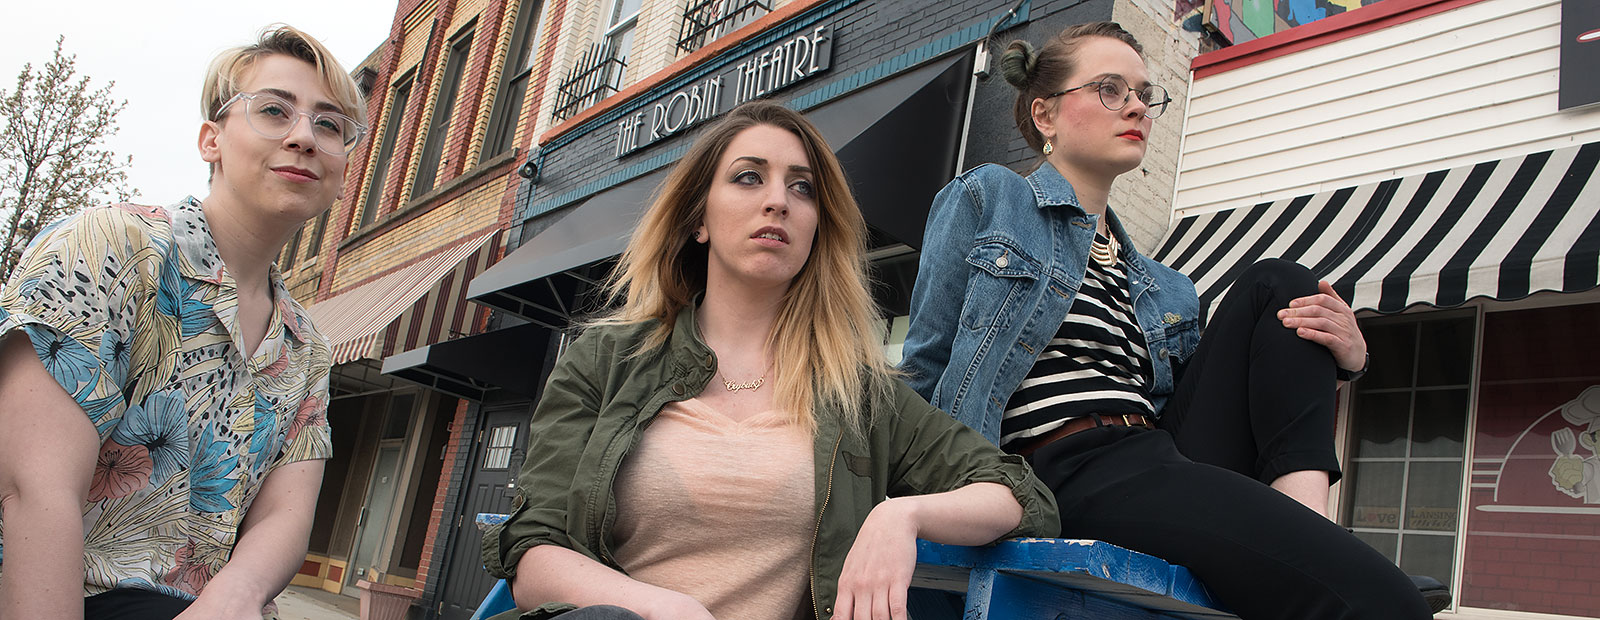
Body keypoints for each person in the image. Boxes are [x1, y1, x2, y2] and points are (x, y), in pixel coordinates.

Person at [899, 22, 1435, 619]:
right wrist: (898, 514)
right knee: (1389, 603)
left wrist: (1347, 366)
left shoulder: (1164, 284)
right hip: (1054, 469)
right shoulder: (990, 197)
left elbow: (1239, 403)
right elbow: (927, 363)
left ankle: (1307, 539)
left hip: (1158, 455)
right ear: (1045, 115)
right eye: (1109, 89)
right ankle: (1312, 566)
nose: (1135, 106)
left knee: (1280, 284)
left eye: (1143, 94)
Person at [480, 101, 1058, 620]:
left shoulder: (856, 394)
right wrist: (661, 610)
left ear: (815, 230)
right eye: (748, 178)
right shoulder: (606, 360)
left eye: (802, 188)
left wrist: (900, 517)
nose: (778, 200)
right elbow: (532, 552)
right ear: (698, 220)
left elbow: (1019, 495)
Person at [0, 25, 366, 620]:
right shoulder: (110, 250)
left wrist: (235, 595)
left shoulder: (306, 347)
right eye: (274, 110)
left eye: (329, 125)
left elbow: (286, 515)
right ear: (211, 140)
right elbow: (34, 490)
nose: (304, 136)